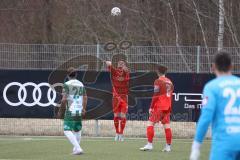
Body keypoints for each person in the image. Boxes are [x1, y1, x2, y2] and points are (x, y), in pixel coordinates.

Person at [190, 51, 240, 160]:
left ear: (213, 67)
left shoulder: (211, 87)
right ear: (232, 66)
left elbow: (206, 117)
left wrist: (196, 145)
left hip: (224, 143)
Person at [140, 65, 174, 152]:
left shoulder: (158, 81)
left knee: (150, 124)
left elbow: (156, 95)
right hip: (167, 107)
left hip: (159, 106)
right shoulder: (170, 82)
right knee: (167, 126)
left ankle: (149, 145)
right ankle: (168, 147)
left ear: (158, 72)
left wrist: (151, 107)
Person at [58, 67, 87, 155]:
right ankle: (75, 149)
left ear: (67, 75)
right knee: (77, 130)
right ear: (76, 74)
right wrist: (84, 108)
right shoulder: (80, 84)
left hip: (71, 109)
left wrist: (60, 110)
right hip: (79, 109)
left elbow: (63, 100)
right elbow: (85, 97)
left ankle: (78, 148)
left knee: (67, 130)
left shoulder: (66, 84)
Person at [105, 60, 130, 141]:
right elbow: (109, 65)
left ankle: (121, 133)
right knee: (116, 115)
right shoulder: (114, 71)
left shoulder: (126, 72)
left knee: (123, 115)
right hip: (115, 97)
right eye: (119, 63)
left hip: (124, 97)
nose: (121, 64)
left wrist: (125, 70)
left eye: (122, 64)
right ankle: (117, 133)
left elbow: (126, 76)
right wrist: (108, 63)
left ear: (125, 65)